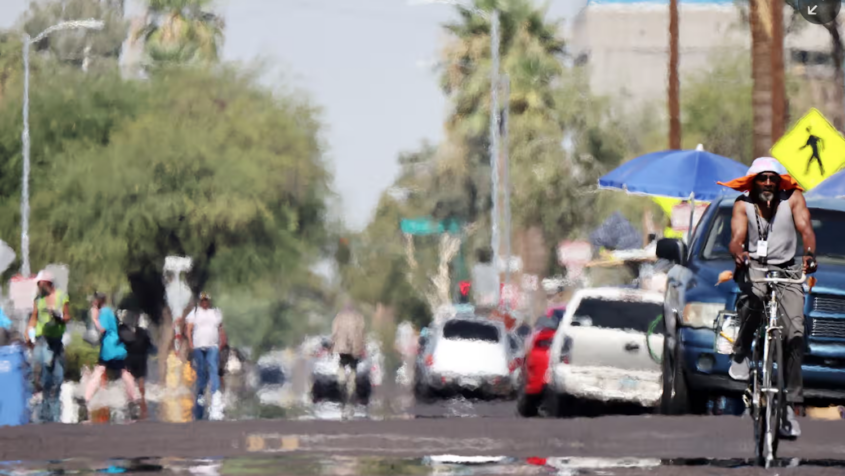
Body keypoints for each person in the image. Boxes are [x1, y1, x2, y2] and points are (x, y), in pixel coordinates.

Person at [717, 157, 818, 439]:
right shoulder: (743, 204)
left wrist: (809, 255)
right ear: (753, 181)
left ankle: (788, 406)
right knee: (753, 300)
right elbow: (736, 237)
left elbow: (806, 230)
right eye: (763, 178)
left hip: (788, 270)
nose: (768, 183)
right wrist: (738, 251)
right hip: (755, 267)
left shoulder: (793, 199)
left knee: (795, 331)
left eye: (773, 178)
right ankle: (740, 354)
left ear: (780, 181)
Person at [84, 293, 141, 420]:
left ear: (98, 301)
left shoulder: (104, 312)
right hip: (117, 347)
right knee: (125, 373)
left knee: (99, 371)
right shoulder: (109, 310)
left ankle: (86, 399)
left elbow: (102, 329)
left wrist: (94, 318)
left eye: (94, 301)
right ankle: (135, 400)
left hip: (110, 349)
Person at [25, 270, 71, 423]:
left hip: (56, 340)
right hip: (42, 339)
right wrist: (28, 334)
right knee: (43, 373)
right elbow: (33, 318)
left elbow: (67, 317)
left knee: (57, 377)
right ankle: (44, 414)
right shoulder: (39, 299)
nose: (39, 286)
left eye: (40, 283)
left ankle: (55, 416)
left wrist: (59, 318)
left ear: (47, 283)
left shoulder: (61, 297)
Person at [185, 292, 226, 421]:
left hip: (212, 346)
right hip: (198, 346)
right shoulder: (195, 312)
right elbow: (189, 329)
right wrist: (190, 343)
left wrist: (222, 342)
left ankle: (215, 400)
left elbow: (220, 328)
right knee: (201, 372)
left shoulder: (215, 313)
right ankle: (200, 400)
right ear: (200, 301)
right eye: (202, 300)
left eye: (206, 300)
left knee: (213, 369)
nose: (204, 302)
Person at [331, 299, 366, 420]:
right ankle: (350, 388)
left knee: (342, 366)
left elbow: (334, 332)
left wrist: (332, 345)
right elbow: (362, 333)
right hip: (354, 349)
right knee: (353, 370)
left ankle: (343, 383)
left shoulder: (339, 317)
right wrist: (362, 347)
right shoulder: (358, 317)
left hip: (342, 349)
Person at [124, 313, 155, 420]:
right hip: (138, 359)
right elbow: (151, 347)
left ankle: (135, 401)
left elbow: (151, 347)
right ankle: (140, 402)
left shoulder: (126, 332)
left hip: (133, 359)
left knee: (134, 382)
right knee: (138, 382)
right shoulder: (143, 333)